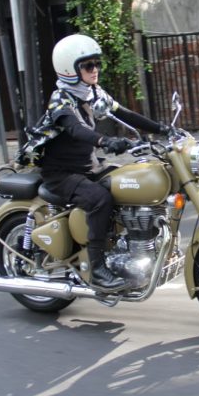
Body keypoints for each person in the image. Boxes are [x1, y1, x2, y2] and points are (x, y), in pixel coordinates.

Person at [42, 34, 171, 289]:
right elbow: (76, 129)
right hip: (61, 173)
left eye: (97, 64)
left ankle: (128, 251)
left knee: (128, 183)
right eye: (88, 65)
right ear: (70, 69)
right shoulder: (61, 99)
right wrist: (104, 140)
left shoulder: (94, 93)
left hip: (90, 166)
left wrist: (162, 129)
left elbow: (125, 114)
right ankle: (98, 270)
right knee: (99, 199)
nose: (95, 70)